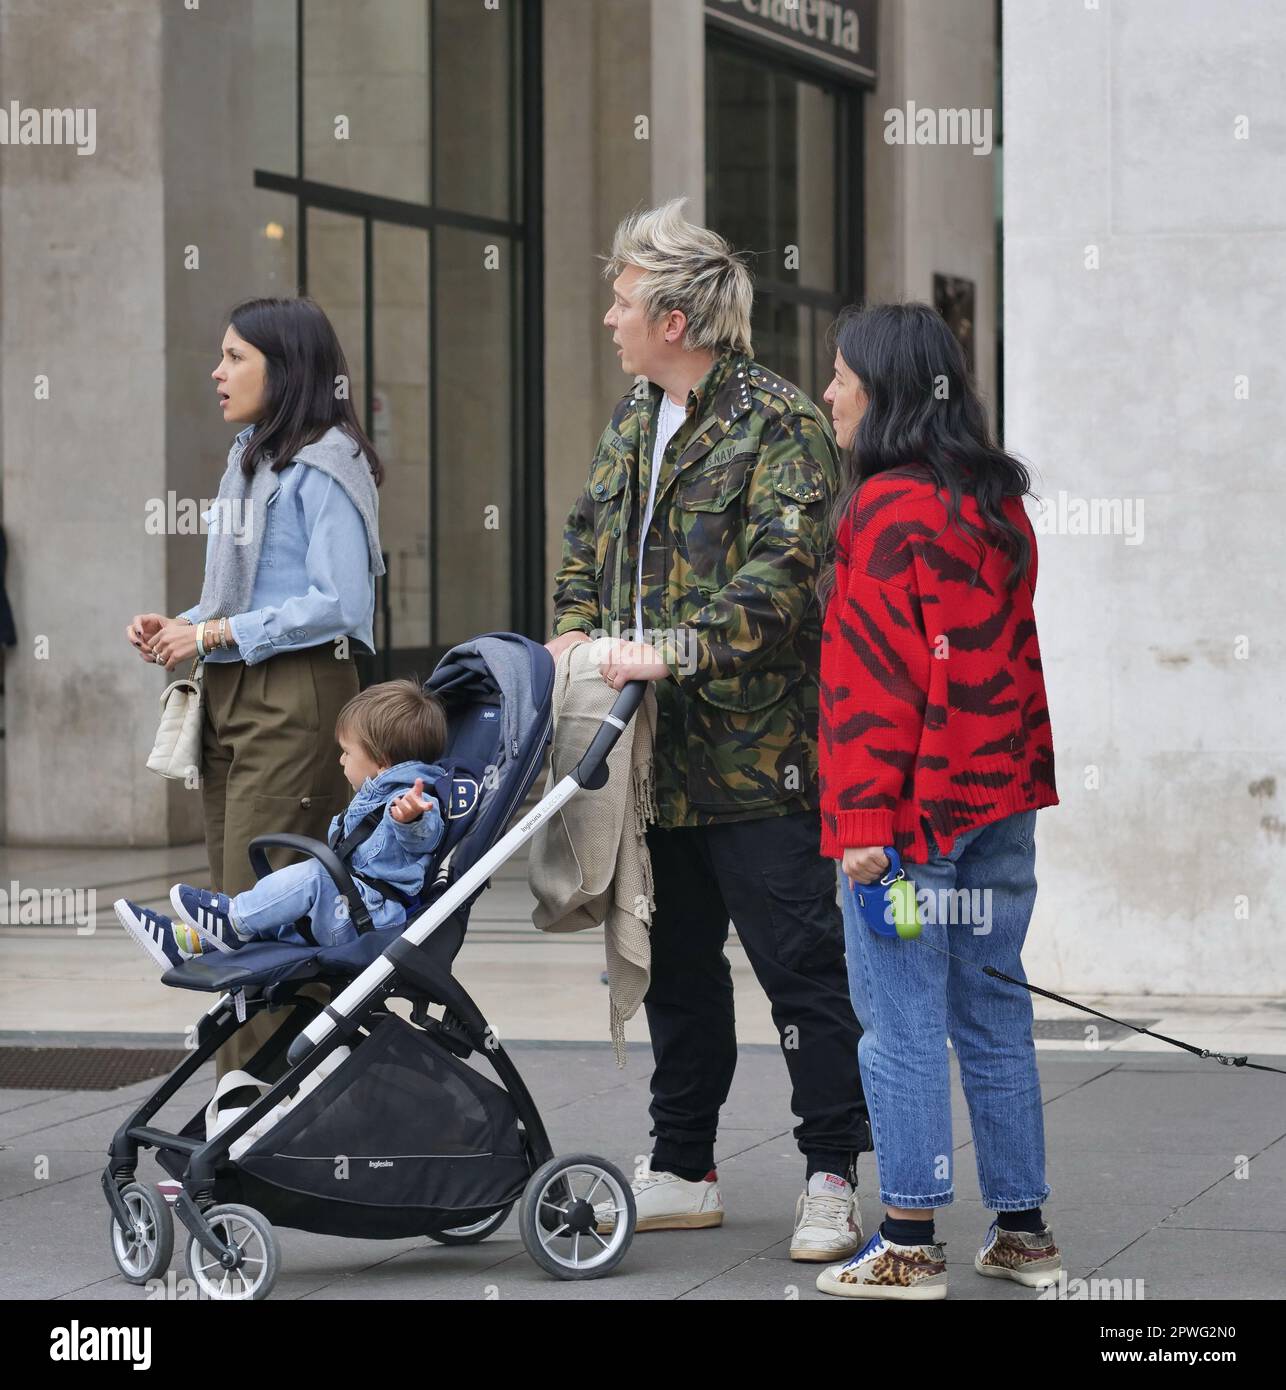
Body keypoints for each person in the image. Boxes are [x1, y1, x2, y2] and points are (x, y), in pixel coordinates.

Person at [549, 199, 870, 1262]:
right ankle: (681, 1165)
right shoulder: (634, 417)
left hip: (758, 760)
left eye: (623, 300)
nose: (608, 317)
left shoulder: (780, 423)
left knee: (799, 972)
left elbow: (780, 584)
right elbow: (583, 545)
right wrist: (576, 635)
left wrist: (667, 650)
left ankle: (831, 1174)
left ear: (676, 317)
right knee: (675, 970)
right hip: (653, 760)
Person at [813, 302, 1060, 1300]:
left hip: (908, 829)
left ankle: (908, 1243)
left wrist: (862, 827)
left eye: (839, 375)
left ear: (888, 390)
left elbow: (874, 680)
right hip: (998, 803)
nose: (827, 391)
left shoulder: (883, 510)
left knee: (901, 1019)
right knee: (992, 1009)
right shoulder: (995, 505)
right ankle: (1022, 1231)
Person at [125, 296, 384, 1072]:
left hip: (294, 694)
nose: (218, 370)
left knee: (258, 908)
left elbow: (340, 602)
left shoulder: (327, 463)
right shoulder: (252, 457)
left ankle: (256, 1120)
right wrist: (182, 624)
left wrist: (208, 633)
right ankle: (248, 1112)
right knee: (236, 899)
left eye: (236, 356)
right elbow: (247, 595)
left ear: (288, 366)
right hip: (234, 692)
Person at [114, 680, 446, 966]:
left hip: (367, 920)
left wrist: (410, 819)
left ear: (382, 761)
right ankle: (182, 944)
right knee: (275, 911)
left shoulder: (409, 799)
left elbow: (423, 837)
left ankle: (230, 920)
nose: (341, 759)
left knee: (314, 876)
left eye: (347, 752)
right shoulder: (376, 793)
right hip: (345, 909)